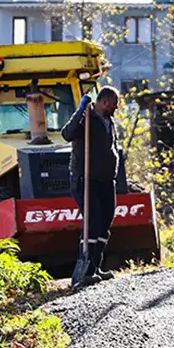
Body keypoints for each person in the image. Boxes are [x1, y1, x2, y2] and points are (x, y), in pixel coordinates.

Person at [61, 86, 120, 288]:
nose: (116, 108)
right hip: (85, 179)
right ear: (104, 102)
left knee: (105, 222)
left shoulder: (109, 121)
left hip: (106, 180)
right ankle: (84, 270)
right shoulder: (86, 119)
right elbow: (66, 134)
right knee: (93, 222)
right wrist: (79, 112)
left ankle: (95, 266)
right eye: (114, 104)